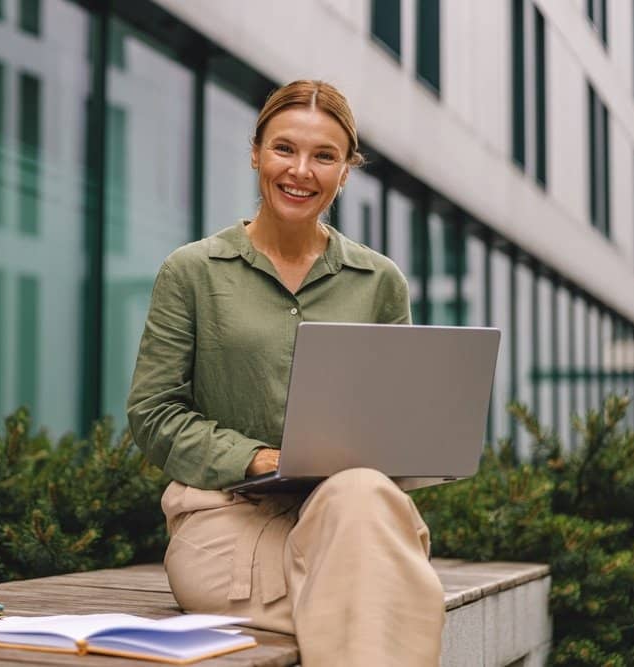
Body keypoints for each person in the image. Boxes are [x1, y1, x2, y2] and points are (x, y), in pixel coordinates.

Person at [126, 80, 445, 666]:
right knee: (380, 600)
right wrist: (260, 458)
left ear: (346, 170)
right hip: (228, 528)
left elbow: (393, 423)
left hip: (349, 519)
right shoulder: (193, 271)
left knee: (362, 490)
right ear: (255, 152)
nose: (301, 171)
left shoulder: (380, 284)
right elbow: (153, 414)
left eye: (324, 156)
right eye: (284, 149)